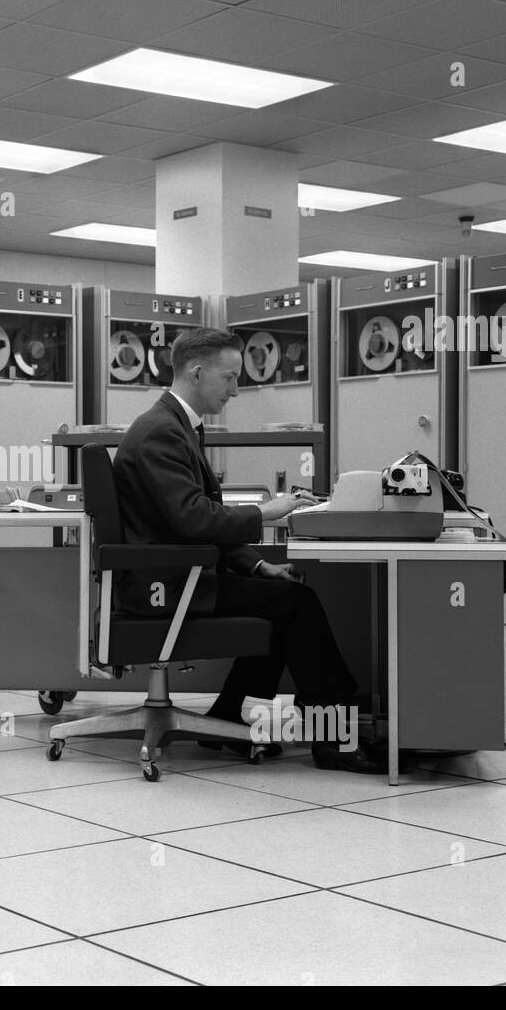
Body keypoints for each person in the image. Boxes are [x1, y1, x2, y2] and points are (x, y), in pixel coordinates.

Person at [111, 327, 388, 773]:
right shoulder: (161, 432)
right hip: (164, 585)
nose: (236, 390)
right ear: (198, 373)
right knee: (297, 604)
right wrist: (268, 512)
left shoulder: (173, 425)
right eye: (230, 377)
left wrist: (258, 565)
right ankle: (334, 737)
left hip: (174, 574)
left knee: (281, 598)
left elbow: (192, 523)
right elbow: (193, 519)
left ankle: (226, 721)